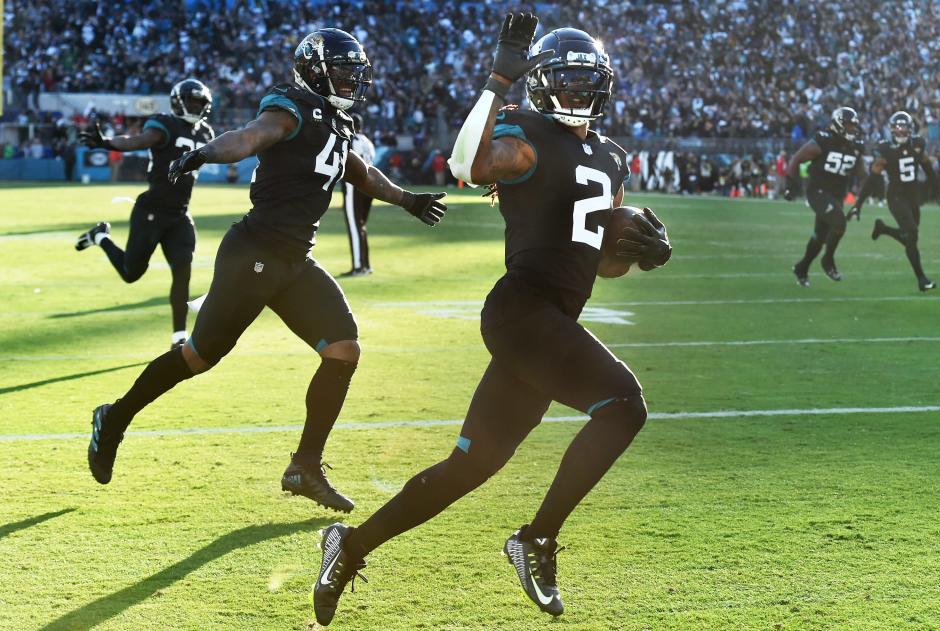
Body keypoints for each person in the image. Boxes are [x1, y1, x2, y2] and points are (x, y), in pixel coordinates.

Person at [311, 15, 671, 625]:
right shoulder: (526, 135)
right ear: (543, 84)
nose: (581, 93)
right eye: (569, 81)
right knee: (624, 405)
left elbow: (600, 266)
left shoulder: (612, 156)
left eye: (589, 83)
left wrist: (644, 252)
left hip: (548, 319)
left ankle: (349, 545)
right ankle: (535, 540)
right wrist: (499, 78)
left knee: (471, 465)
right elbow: (466, 165)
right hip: (522, 312)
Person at [84, 30, 447, 516]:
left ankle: (305, 466)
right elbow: (254, 135)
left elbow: (357, 170)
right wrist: (206, 152)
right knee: (197, 357)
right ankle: (114, 418)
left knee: (343, 349)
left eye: (354, 73)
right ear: (315, 70)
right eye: (342, 71)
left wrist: (409, 199)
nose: (351, 81)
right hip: (253, 252)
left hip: (295, 260)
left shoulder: (338, 123)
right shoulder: (291, 106)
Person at [75, 79, 216, 348]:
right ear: (178, 101)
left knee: (183, 272)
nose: (196, 106)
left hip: (179, 215)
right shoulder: (165, 124)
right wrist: (107, 143)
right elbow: (138, 140)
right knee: (131, 273)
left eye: (200, 103)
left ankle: (179, 337)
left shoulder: (206, 133)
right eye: (192, 101)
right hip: (151, 211)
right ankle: (101, 237)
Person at [847, 111, 940, 291]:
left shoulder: (918, 144)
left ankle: (883, 229)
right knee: (910, 233)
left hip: (913, 196)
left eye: (904, 130)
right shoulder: (885, 149)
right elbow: (872, 178)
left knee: (911, 238)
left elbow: (929, 170)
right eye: (898, 130)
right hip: (896, 196)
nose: (901, 133)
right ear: (892, 130)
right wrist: (858, 204)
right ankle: (922, 280)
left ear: (910, 130)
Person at [785, 106, 865, 286]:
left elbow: (862, 173)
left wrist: (866, 194)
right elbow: (796, 159)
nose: (853, 129)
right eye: (849, 125)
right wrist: (791, 186)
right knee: (839, 222)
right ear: (838, 125)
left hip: (837, 195)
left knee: (819, 237)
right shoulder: (823, 140)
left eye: (854, 126)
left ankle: (802, 267)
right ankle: (827, 260)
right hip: (817, 192)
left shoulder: (856, 146)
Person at [340, 113, 376, 276]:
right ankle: (366, 265)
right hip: (370, 187)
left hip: (354, 187)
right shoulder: (367, 142)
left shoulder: (352, 140)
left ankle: (358, 266)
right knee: (361, 226)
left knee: (355, 226)